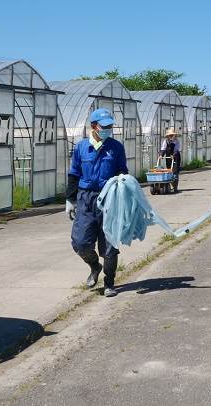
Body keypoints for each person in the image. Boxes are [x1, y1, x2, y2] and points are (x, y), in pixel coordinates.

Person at [66, 108, 128, 297]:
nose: (109, 129)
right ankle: (94, 266)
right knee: (80, 243)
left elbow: (122, 172)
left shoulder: (116, 147)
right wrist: (70, 199)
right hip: (86, 199)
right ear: (94, 126)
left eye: (110, 126)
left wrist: (124, 193)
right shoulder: (80, 147)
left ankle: (109, 283)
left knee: (110, 247)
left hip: (110, 198)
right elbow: (74, 173)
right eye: (105, 126)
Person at [158, 127, 181, 192]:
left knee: (175, 172)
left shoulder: (177, 141)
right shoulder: (165, 141)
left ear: (174, 135)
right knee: (169, 171)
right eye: (170, 135)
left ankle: (175, 187)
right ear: (168, 136)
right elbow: (163, 149)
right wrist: (161, 155)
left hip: (176, 158)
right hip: (168, 158)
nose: (171, 136)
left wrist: (173, 155)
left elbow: (176, 150)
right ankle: (171, 185)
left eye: (172, 135)